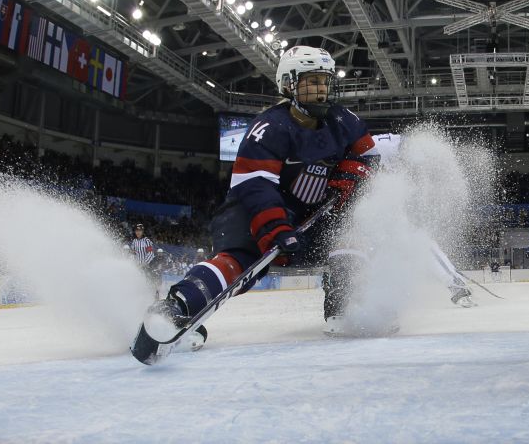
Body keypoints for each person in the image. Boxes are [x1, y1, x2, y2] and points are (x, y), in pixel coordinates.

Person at [143, 45, 378, 346]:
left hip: (312, 215)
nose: (321, 90)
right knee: (240, 262)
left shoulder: (344, 121)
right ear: (289, 85)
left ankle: (343, 309)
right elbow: (255, 187)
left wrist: (353, 170)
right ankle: (178, 308)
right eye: (312, 82)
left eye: (324, 82)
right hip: (253, 212)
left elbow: (369, 154)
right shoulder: (268, 128)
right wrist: (275, 227)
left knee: (353, 235)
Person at [371, 133, 476, 307]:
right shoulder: (371, 151)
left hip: (388, 208)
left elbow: (402, 150)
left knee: (418, 240)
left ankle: (455, 283)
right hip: (378, 209)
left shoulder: (381, 147)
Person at [130, 224, 160, 297]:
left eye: (139, 231)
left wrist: (144, 263)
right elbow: (133, 254)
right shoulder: (134, 241)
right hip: (138, 266)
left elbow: (150, 253)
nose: (138, 232)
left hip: (147, 265)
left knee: (150, 280)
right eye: (136, 231)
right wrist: (134, 263)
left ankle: (155, 295)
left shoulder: (146, 241)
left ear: (143, 231)